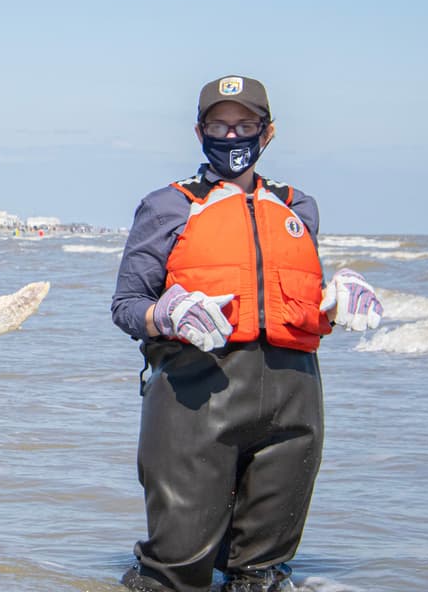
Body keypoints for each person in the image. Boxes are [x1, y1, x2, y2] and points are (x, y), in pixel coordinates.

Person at [110, 75, 384, 592]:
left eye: (245, 125)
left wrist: (336, 299)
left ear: (268, 132)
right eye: (219, 124)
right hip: (196, 396)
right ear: (199, 131)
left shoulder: (299, 207)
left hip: (293, 398)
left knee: (263, 575)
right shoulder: (168, 205)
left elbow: (297, 296)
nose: (232, 137)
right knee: (174, 571)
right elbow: (127, 305)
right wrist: (164, 315)